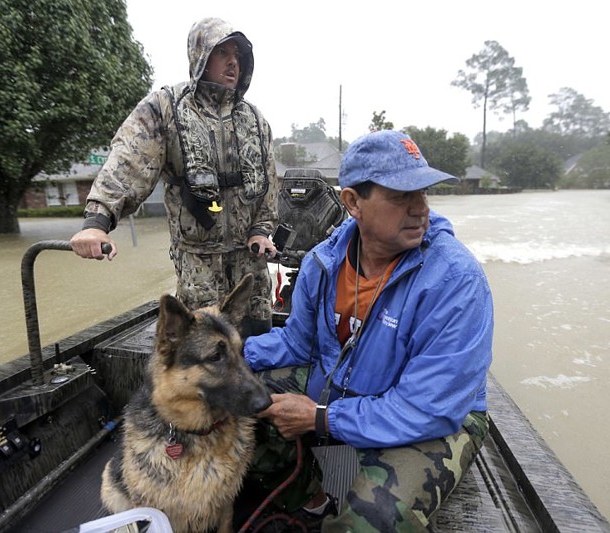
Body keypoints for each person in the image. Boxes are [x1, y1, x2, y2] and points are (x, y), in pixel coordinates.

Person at [243, 130, 494, 531]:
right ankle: (312, 500)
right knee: (235, 408)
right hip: (347, 384)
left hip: (438, 415)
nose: (420, 210)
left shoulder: (455, 281)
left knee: (372, 517)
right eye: (401, 196)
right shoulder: (322, 264)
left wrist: (321, 418)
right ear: (353, 202)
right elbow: (297, 342)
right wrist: (231, 357)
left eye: (423, 194)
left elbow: (428, 408)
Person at [70, 17, 278, 335]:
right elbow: (128, 162)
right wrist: (96, 225)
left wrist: (262, 231)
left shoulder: (255, 120)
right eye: (223, 52)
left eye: (237, 53)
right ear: (201, 57)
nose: (233, 61)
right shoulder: (167, 108)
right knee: (204, 360)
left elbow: (269, 186)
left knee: (257, 350)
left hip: (251, 272)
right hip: (199, 271)